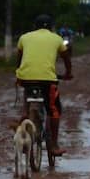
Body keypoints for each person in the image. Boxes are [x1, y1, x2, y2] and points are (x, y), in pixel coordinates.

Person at [16, 14, 73, 157]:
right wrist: (68, 73)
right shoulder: (57, 38)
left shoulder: (24, 37)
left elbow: (19, 59)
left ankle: (25, 113)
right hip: (48, 81)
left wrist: (18, 75)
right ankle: (53, 146)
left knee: (28, 86)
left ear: (35, 26)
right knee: (54, 110)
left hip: (26, 78)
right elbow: (66, 59)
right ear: (52, 27)